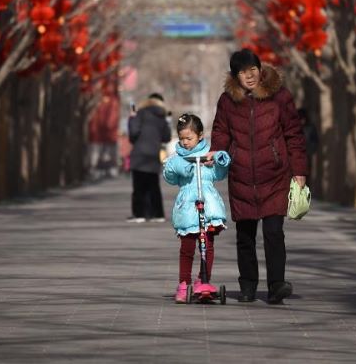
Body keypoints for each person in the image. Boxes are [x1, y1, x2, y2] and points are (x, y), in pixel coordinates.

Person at [207, 48, 308, 304]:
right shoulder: (227, 101)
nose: (249, 76)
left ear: (260, 69)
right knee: (245, 235)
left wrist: (299, 170)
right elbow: (220, 131)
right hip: (241, 176)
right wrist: (216, 152)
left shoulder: (279, 96)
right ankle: (248, 285)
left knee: (274, 232)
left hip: (275, 176)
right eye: (243, 72)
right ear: (235, 76)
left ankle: (276, 285)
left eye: (253, 69)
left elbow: (294, 134)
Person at [162, 113, 230, 303]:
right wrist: (181, 166)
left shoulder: (208, 153)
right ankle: (184, 283)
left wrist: (220, 159)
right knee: (187, 247)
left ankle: (203, 280)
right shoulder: (177, 157)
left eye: (189, 138)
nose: (185, 142)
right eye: (182, 138)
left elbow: (219, 174)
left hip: (207, 206)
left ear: (200, 135)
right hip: (187, 208)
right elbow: (170, 176)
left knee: (207, 245)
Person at [127, 93, 171, 223]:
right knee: (154, 186)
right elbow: (166, 137)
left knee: (139, 187)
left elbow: (133, 133)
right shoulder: (162, 116)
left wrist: (131, 118)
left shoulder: (140, 114)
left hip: (139, 155)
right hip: (153, 154)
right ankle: (157, 214)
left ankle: (140, 214)